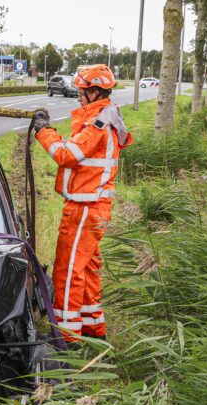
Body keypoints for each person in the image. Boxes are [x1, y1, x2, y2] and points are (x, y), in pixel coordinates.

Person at [31, 64, 132, 341]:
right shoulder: (102, 117)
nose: (78, 96)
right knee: (87, 268)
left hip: (86, 208)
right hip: (94, 207)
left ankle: (65, 337)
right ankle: (92, 328)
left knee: (68, 270)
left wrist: (43, 130)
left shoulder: (99, 123)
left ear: (95, 92)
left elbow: (67, 154)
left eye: (81, 91)